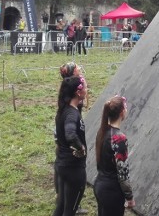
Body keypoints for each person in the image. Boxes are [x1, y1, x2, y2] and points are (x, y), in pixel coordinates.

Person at [53, 75, 89, 216]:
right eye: (85, 87)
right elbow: (70, 134)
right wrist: (81, 148)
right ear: (78, 92)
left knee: (61, 206)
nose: (87, 89)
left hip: (62, 165)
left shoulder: (64, 109)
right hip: (73, 169)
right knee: (70, 210)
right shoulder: (71, 115)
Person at [94, 95, 135, 215]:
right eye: (126, 108)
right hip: (112, 191)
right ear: (122, 112)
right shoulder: (119, 138)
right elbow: (123, 173)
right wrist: (130, 197)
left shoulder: (102, 132)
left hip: (100, 185)